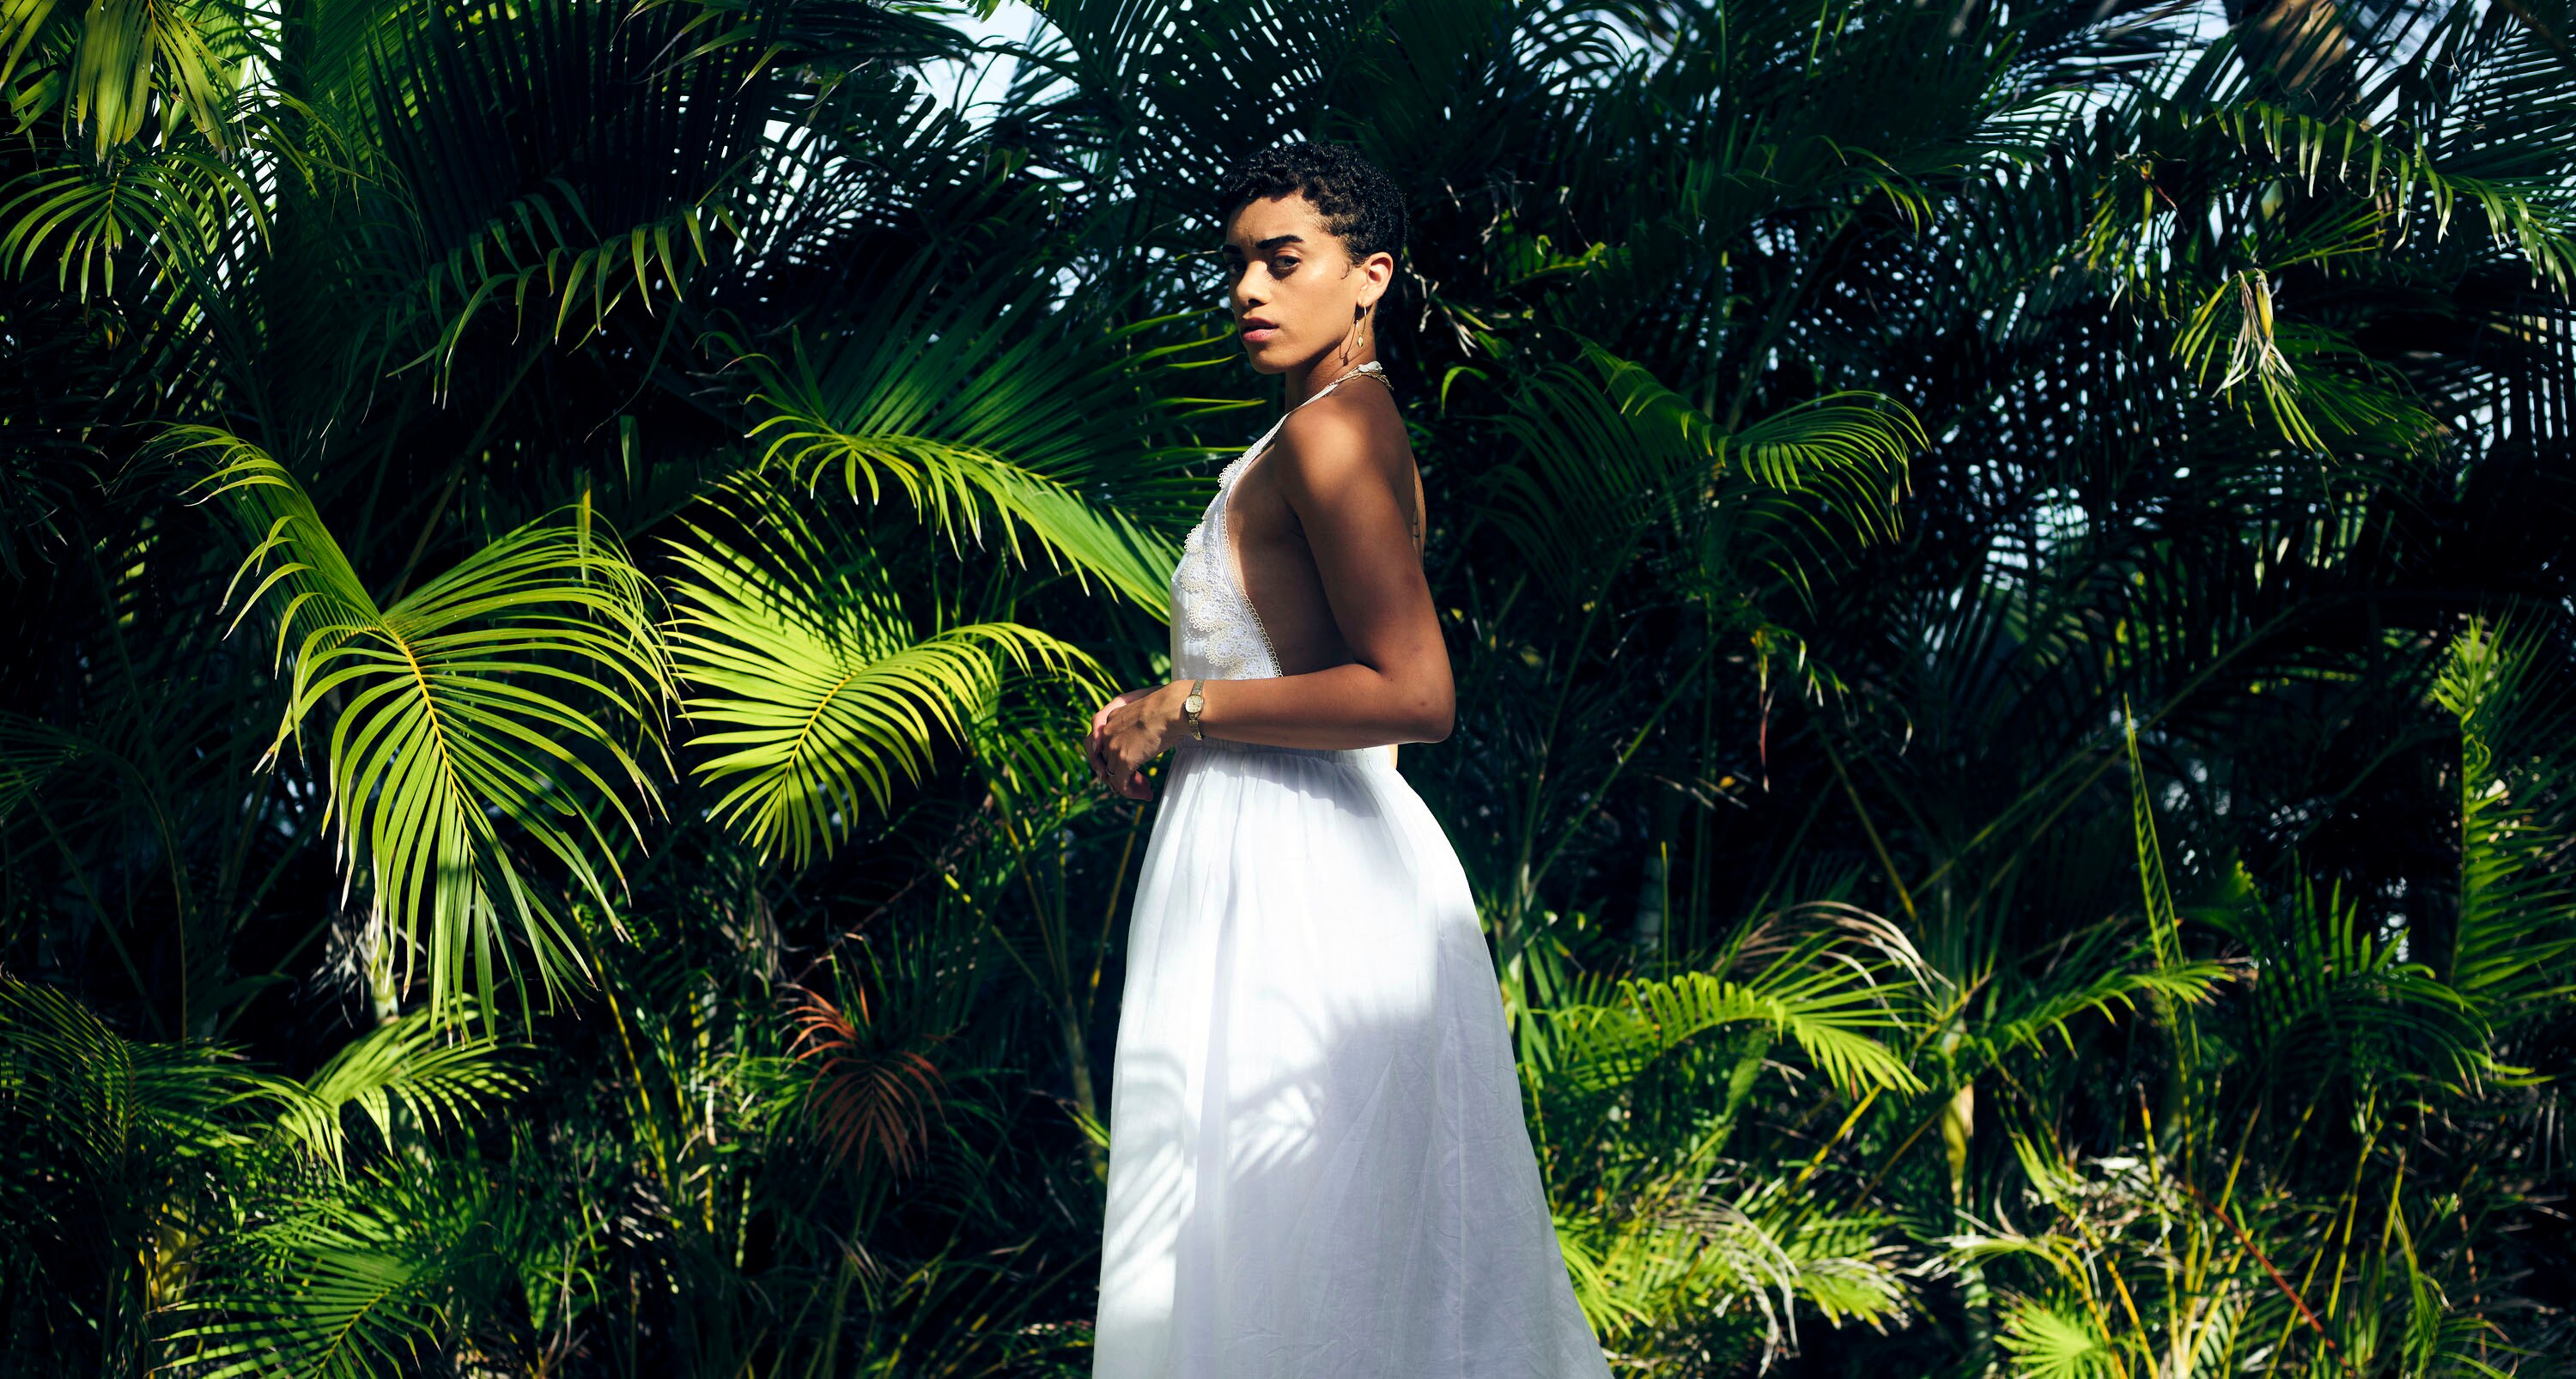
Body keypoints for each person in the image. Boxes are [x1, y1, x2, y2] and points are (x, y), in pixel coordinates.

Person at [1082, 142, 1613, 1378]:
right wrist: (1163, 707)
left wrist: (1184, 706)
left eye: (1285, 261)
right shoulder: (1329, 428)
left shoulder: (1330, 437)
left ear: (1369, 276)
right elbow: (1302, 659)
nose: (1248, 290)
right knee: (1302, 1256)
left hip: (1299, 890)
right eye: (1238, 264)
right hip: (1292, 866)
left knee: (1290, 1254)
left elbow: (1415, 692)